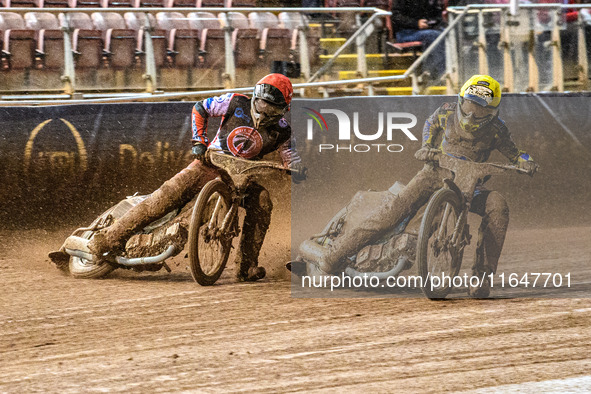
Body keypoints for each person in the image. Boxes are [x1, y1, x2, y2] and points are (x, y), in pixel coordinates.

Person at [311, 75, 537, 297]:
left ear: (493, 113)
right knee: (391, 212)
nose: (471, 114)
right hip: (434, 173)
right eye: (468, 106)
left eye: (480, 111)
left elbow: (516, 154)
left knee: (498, 205)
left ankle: (482, 276)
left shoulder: (498, 129)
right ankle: (333, 257)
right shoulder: (447, 111)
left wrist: (526, 162)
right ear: (461, 100)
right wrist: (427, 146)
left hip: (471, 184)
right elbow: (430, 123)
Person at [87, 73, 306, 282]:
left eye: (271, 109)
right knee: (163, 198)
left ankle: (247, 265)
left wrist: (294, 168)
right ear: (255, 98)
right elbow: (200, 107)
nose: (265, 113)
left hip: (241, 179)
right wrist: (199, 141)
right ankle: (107, 240)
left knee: (263, 202)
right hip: (208, 164)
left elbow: (289, 154)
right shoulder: (234, 102)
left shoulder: (283, 131)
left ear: (283, 110)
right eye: (262, 105)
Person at [391, 0, 446, 81]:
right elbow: (396, 17)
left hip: (427, 30)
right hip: (405, 33)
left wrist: (432, 22)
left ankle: (436, 71)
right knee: (433, 35)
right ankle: (435, 72)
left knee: (446, 32)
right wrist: (416, 23)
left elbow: (437, 14)